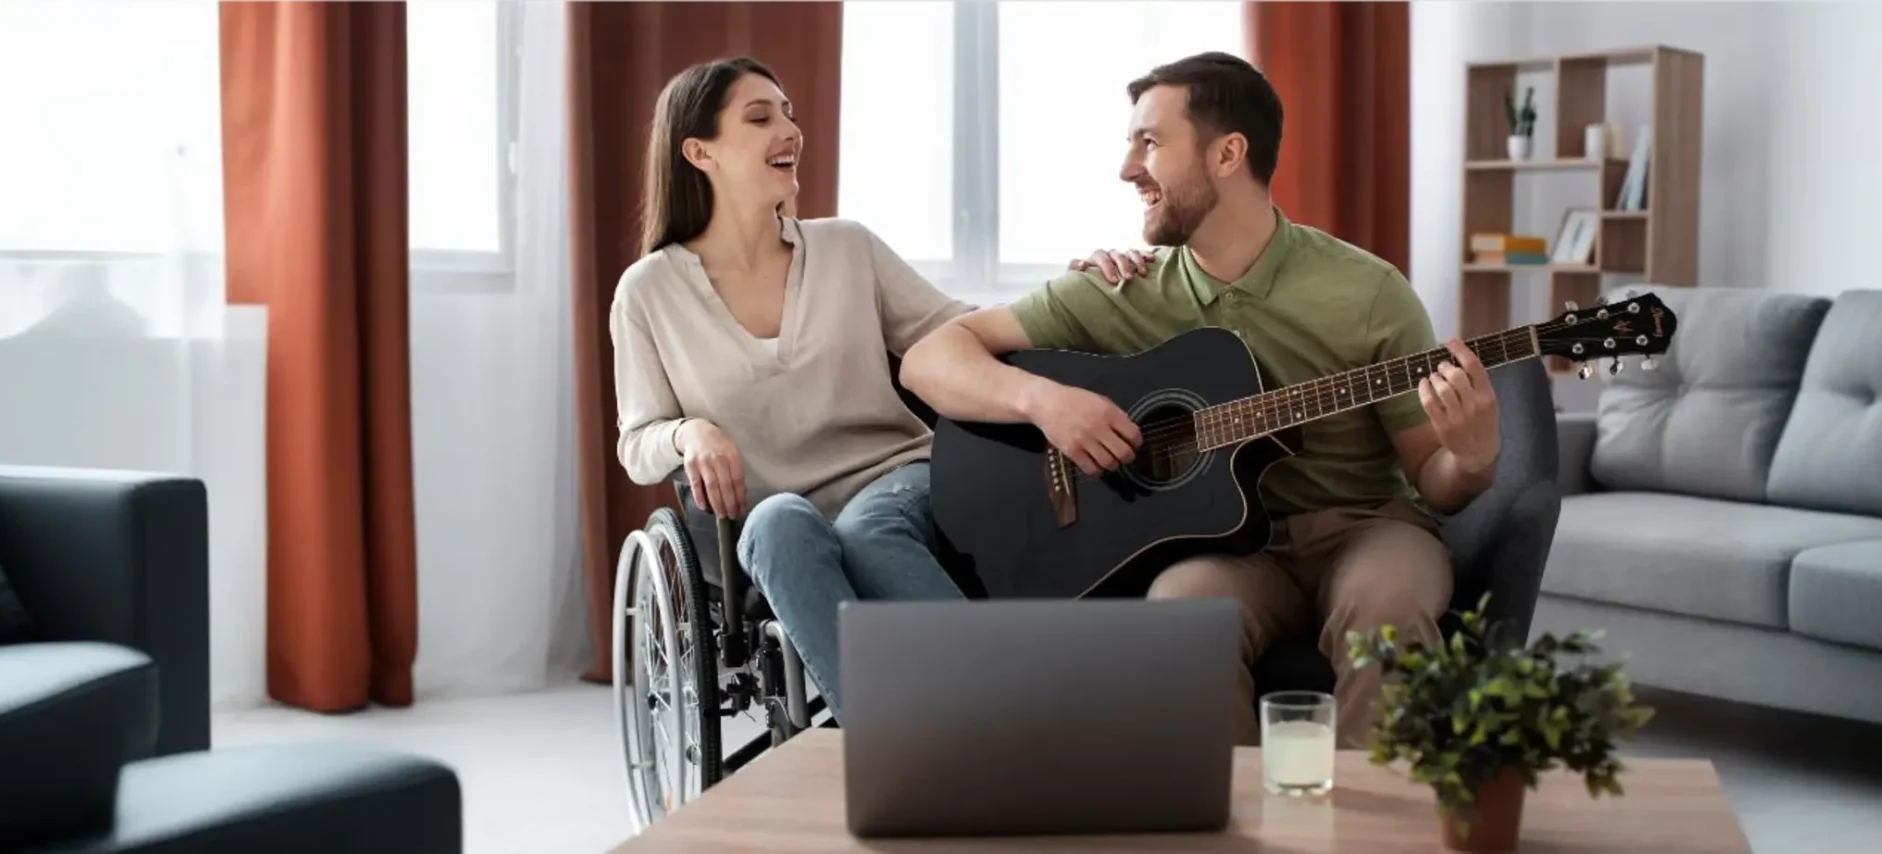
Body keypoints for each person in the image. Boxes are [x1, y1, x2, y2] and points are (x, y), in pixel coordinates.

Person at [898, 51, 1503, 747]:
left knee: (1391, 610)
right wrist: (1045, 403)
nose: (1127, 169)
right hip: (1232, 550)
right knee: (1181, 612)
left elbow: (1435, 476)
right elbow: (929, 361)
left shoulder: (1369, 291)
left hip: (1366, 529)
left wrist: (1474, 459)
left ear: (1227, 154)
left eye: (1149, 143)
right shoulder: (1123, 288)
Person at [608, 56, 973, 722]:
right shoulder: (649, 291)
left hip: (892, 480)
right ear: (699, 151)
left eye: (790, 114)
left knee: (866, 530)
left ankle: (1002, 706)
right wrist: (690, 430)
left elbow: (958, 326)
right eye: (760, 117)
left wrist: (1078, 296)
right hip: (769, 509)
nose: (790, 130)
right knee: (778, 525)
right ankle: (890, 739)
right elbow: (637, 442)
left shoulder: (847, 249)